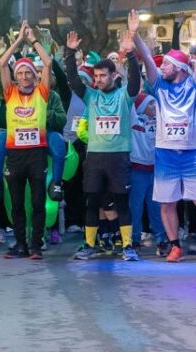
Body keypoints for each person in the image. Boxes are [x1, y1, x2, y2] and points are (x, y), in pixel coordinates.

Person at [130, 10, 196, 264]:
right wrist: (134, 35)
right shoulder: (159, 87)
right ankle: (174, 246)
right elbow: (147, 59)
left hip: (192, 154)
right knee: (167, 204)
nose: (162, 67)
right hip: (165, 154)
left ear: (180, 68)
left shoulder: (194, 85)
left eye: (167, 65)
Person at [66, 30, 141, 261]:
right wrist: (69, 54)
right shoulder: (91, 96)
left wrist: (130, 54)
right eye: (95, 76)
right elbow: (73, 80)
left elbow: (136, 82)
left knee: (121, 203)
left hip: (118, 157)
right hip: (95, 157)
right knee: (91, 202)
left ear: (113, 75)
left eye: (102, 76)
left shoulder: (124, 96)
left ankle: (127, 246)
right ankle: (89, 245)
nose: (97, 80)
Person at [0, 21, 52, 260]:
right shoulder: (10, 92)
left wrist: (34, 42)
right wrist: (18, 41)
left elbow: (48, 62)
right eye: (19, 73)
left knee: (38, 202)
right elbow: (1, 63)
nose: (24, 76)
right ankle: (21, 244)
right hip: (15, 155)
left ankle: (36, 245)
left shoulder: (42, 91)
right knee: (17, 203)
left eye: (28, 72)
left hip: (37, 153)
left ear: (34, 75)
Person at [128, 92, 166, 253]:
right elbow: (129, 99)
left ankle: (161, 240)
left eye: (154, 103)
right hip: (137, 170)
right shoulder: (134, 121)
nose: (154, 106)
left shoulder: (160, 121)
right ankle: (134, 240)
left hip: (156, 170)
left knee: (156, 208)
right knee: (135, 208)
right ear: (142, 106)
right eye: (150, 104)